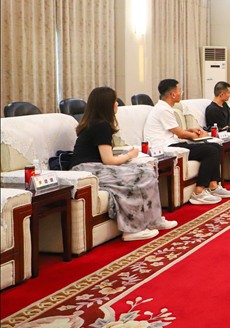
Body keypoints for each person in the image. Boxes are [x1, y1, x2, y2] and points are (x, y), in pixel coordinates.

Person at [70, 87, 177, 241]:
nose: (117, 104)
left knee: (147, 171)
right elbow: (108, 160)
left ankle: (154, 220)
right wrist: (129, 155)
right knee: (136, 176)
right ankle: (132, 229)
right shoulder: (101, 125)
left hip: (95, 166)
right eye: (114, 101)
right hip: (87, 169)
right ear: (106, 105)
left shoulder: (96, 123)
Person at [143, 79, 230, 205]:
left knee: (216, 146)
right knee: (211, 151)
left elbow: (175, 131)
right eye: (180, 90)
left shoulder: (165, 108)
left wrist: (191, 131)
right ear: (173, 94)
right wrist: (198, 136)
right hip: (165, 148)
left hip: (172, 143)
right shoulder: (163, 110)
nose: (182, 92)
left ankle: (213, 185)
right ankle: (198, 192)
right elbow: (180, 134)